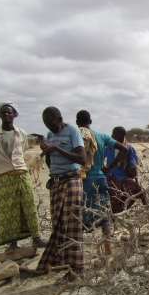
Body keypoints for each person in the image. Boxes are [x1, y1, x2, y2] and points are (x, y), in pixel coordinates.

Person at [0, 103, 44, 251]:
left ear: (15, 115)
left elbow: (21, 153)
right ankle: (13, 243)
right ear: (0, 115)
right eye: (4, 112)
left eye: (10, 112)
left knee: (29, 205)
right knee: (9, 210)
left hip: (22, 174)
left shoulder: (21, 133)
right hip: (4, 176)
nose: (6, 115)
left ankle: (36, 238)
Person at [37, 106, 86, 278]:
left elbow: (82, 158)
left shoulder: (72, 131)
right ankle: (63, 261)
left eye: (51, 123)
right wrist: (46, 151)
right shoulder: (50, 135)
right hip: (56, 182)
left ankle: (77, 269)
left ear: (59, 118)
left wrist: (56, 149)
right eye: (46, 124)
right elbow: (52, 162)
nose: (49, 128)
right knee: (58, 224)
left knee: (72, 224)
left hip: (72, 180)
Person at [75, 111, 128, 248]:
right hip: (100, 178)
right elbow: (124, 149)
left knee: (80, 214)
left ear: (77, 122)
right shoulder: (102, 136)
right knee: (105, 214)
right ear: (90, 121)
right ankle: (108, 249)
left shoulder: (77, 136)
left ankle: (78, 251)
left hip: (84, 180)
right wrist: (109, 167)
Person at [104, 126, 147, 213]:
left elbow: (133, 165)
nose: (112, 136)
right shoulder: (109, 147)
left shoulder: (129, 148)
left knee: (141, 192)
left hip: (123, 177)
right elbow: (101, 158)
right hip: (110, 176)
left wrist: (131, 169)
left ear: (121, 136)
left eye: (114, 134)